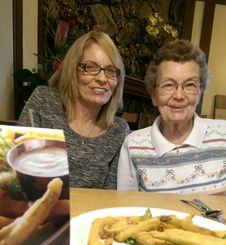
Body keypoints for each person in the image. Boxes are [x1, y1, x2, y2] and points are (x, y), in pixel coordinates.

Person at [18, 30, 130, 189]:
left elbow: (110, 197)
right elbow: (19, 177)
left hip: (93, 212)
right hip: (40, 211)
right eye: (91, 67)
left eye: (111, 71)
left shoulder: (118, 130)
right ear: (73, 70)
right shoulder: (44, 102)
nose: (102, 79)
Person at [117, 39, 226, 194]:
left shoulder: (223, 134)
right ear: (154, 95)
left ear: (200, 93)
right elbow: (126, 208)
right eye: (168, 85)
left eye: (189, 85)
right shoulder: (134, 145)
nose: (179, 95)